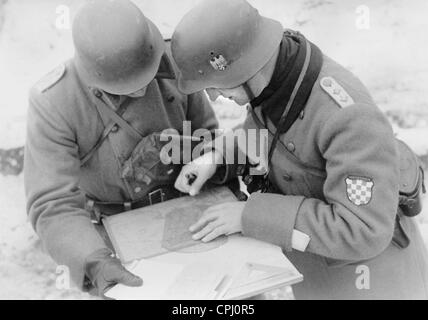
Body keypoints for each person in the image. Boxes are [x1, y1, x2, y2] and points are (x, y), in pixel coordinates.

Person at [172, 0, 428, 299]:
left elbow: (362, 230)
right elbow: (269, 135)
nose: (213, 97)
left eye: (217, 85)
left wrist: (249, 216)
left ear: (245, 68)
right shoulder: (278, 76)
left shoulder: (348, 117)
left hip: (370, 281)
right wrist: (217, 156)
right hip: (316, 271)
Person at [24, 0, 218, 297]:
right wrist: (94, 260)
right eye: (126, 84)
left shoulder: (172, 62)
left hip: (188, 211)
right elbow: (53, 203)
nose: (141, 88)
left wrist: (214, 171)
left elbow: (208, 137)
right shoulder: (55, 102)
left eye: (145, 74)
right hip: (114, 232)